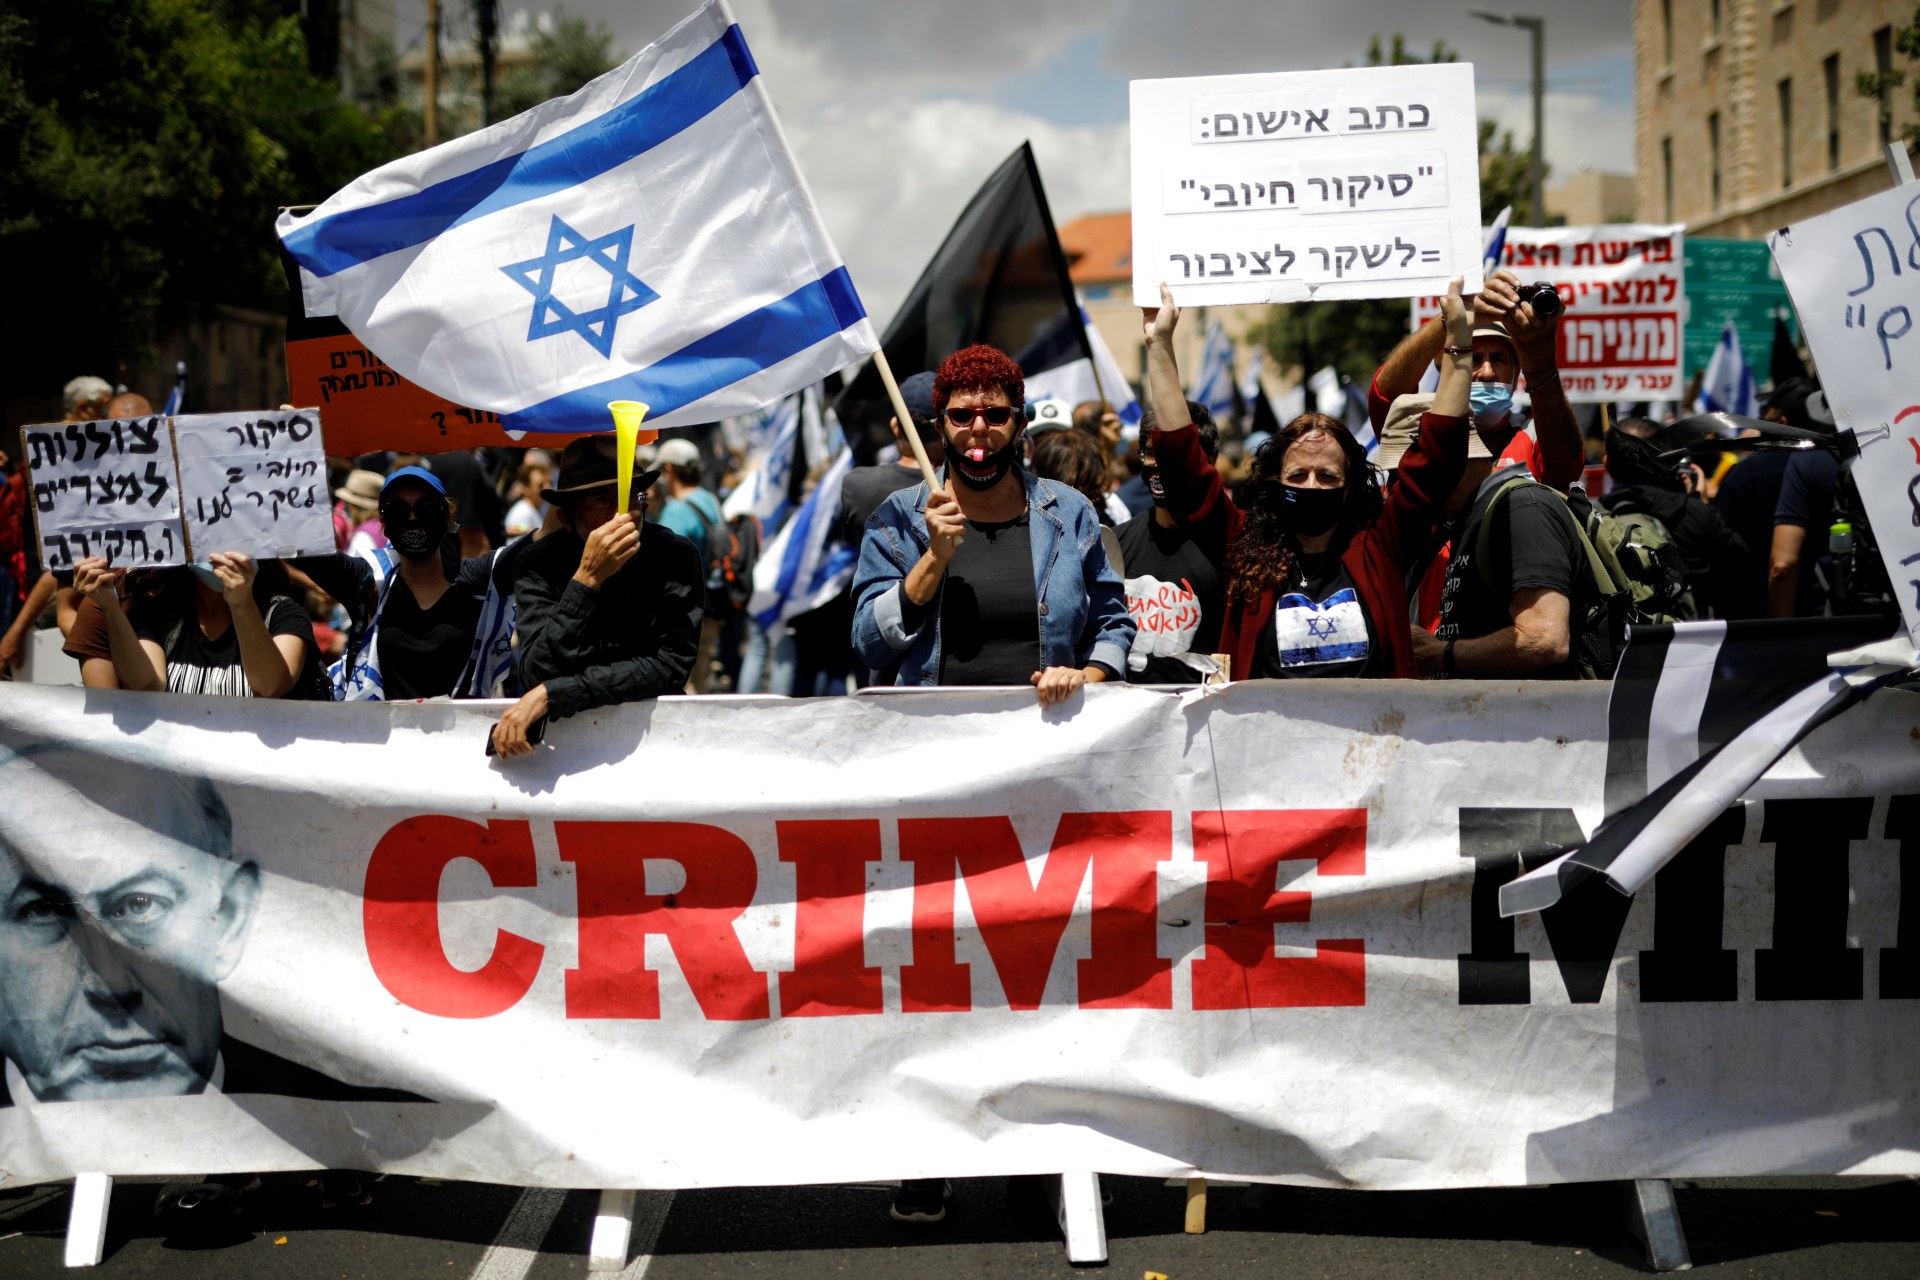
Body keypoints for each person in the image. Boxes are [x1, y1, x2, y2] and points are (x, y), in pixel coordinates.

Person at [0, 743, 424, 1106]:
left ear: (229, 916)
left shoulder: (358, 1125)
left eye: (141, 903)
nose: (108, 982)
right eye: (42, 911)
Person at [1143, 280, 1477, 681]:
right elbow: (1185, 472)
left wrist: (1459, 342)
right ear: (1275, 482)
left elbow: (1438, 459)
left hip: (1374, 725)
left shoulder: (1380, 547)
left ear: (1349, 486)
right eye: (1298, 475)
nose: (1312, 486)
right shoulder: (1244, 548)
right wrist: (1159, 345)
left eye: (1327, 475)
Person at [851, 343, 1133, 713]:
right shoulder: (896, 518)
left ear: (1020, 426)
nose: (980, 428)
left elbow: (1112, 625)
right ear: (940, 428)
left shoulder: (1070, 511)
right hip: (933, 734)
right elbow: (869, 644)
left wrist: (1084, 676)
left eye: (996, 415)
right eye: (961, 416)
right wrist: (933, 558)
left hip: (1047, 733)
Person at [491, 436, 703, 757]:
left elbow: (670, 666)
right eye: (602, 500)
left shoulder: (674, 555)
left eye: (630, 497)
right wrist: (587, 579)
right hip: (560, 751)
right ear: (566, 518)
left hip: (654, 742)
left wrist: (557, 693)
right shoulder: (537, 563)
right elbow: (538, 671)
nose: (621, 515)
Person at [1366, 268, 1584, 490]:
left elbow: (1566, 468)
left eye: (1498, 359)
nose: (1487, 373)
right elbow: (1385, 396)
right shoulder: (1418, 432)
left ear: (1516, 372)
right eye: (1473, 359)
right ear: (1445, 370)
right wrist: (1449, 319)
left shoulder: (1534, 436)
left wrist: (1541, 362)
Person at [328, 466, 521, 701]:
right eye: (398, 510)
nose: (412, 518)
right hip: (384, 725)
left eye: (426, 508)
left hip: (463, 725)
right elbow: (309, 553)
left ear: (447, 516)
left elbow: (541, 545)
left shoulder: (475, 579)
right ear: (384, 523)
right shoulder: (369, 582)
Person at [75, 552, 326, 699]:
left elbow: (269, 686)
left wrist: (241, 603)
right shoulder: (163, 613)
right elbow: (146, 685)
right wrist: (108, 605)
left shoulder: (282, 615)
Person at [1115, 407, 1226, 682]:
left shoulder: (1230, 545)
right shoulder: (1115, 544)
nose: (1162, 463)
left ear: (1210, 461)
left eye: (1176, 451)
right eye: (1152, 452)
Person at [1601, 417, 1749, 620]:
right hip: (1694, 633)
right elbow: (1741, 563)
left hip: (1628, 636)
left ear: (1606, 462)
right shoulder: (1693, 512)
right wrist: (1700, 505)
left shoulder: (1593, 521)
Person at [1715, 377, 1828, 618]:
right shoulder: (1837, 466)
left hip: (1759, 618)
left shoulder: (1746, 474)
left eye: (1765, 414)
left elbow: (1779, 566)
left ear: (1782, 422)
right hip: (1831, 613)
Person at [505, 451, 554, 538]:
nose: (547, 488)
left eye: (549, 483)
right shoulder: (522, 514)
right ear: (526, 488)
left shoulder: (536, 509)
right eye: (540, 485)